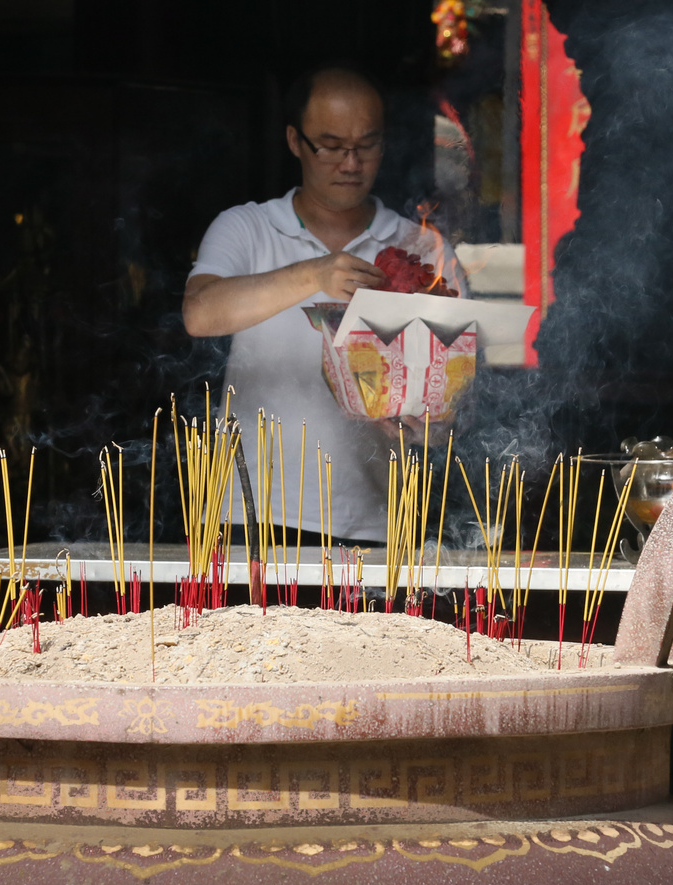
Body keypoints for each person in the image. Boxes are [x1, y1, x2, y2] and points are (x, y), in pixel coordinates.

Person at [183, 64, 465, 544]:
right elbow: (199, 312)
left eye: (366, 146)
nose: (351, 163)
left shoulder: (422, 251)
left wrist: (424, 424)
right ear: (295, 141)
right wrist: (312, 275)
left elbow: (448, 409)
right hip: (250, 516)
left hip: (375, 526)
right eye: (331, 146)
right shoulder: (247, 229)